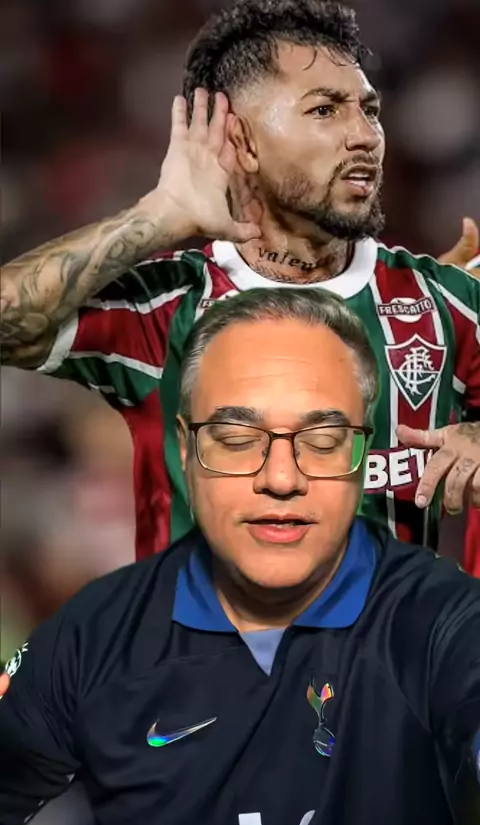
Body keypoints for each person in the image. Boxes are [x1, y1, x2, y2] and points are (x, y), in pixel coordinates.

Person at [0, 288, 479, 825]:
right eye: (236, 440)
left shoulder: (443, 626)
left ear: (364, 456)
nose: (281, 477)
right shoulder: (94, 637)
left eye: (322, 440)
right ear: (185, 451)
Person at [1, 0, 479, 560]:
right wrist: (157, 216)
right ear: (242, 141)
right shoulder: (167, 309)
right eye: (325, 110)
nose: (365, 136)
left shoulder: (442, 304)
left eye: (369, 110)